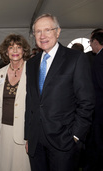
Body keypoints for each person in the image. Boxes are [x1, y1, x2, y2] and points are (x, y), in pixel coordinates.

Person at [25, 13, 95, 171]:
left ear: (58, 32)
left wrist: (76, 135)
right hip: (36, 141)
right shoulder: (31, 63)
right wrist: (28, 136)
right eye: (38, 31)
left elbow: (87, 101)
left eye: (47, 30)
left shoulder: (76, 59)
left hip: (64, 141)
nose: (42, 36)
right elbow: (30, 100)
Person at [0, 34, 31, 171]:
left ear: (24, 51)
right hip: (4, 129)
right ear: (6, 52)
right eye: (11, 47)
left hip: (24, 130)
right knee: (5, 166)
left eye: (18, 47)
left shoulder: (31, 72)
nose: (15, 51)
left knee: (22, 166)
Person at [83, 32, 103, 171]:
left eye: (90, 42)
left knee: (98, 140)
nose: (90, 46)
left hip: (100, 108)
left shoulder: (99, 59)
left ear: (96, 42)